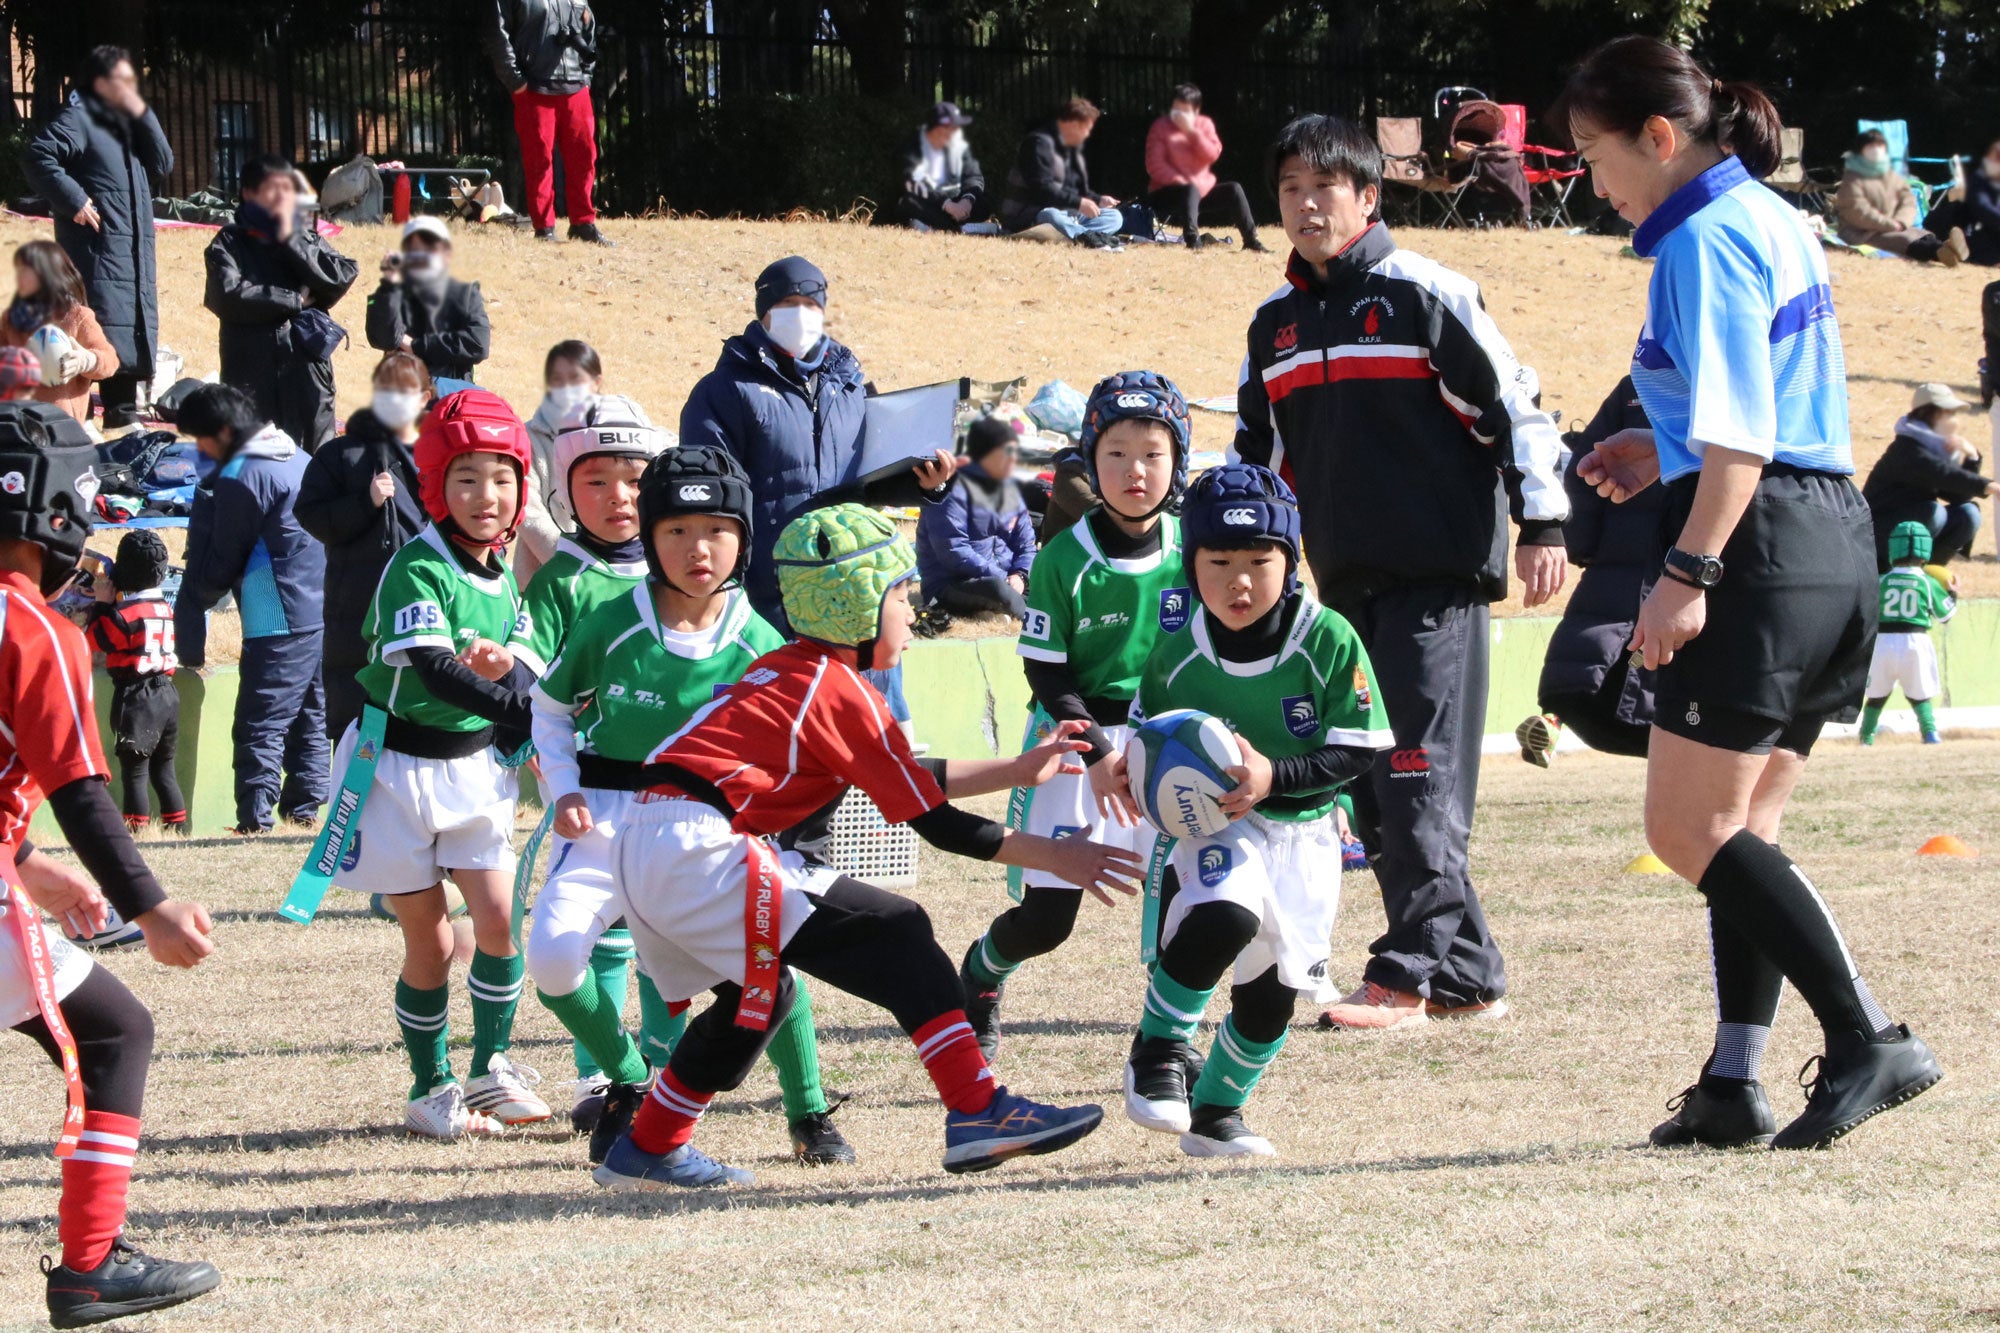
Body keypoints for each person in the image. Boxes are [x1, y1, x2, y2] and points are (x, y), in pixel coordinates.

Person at [1564, 34, 1938, 1151]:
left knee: (1685, 829)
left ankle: (1869, 1035)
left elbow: (1740, 436)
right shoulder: (1775, 217)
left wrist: (1682, 573)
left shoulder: (1699, 239)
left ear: (1659, 138)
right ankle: (1732, 1081)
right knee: (1743, 830)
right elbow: (1751, 412)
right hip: (1829, 533)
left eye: (1591, 153)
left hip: (1760, 543)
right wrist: (1657, 450)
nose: (1589, 178)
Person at [591, 504, 1140, 1189]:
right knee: (898, 929)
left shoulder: (796, 669)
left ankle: (647, 1147)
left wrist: (1013, 769)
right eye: (901, 593)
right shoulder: (840, 687)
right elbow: (936, 822)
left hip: (650, 840)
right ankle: (979, 1109)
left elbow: (900, 772)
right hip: (697, 846)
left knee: (756, 996)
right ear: (855, 603)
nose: (912, 611)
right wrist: (1058, 856)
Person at [1232, 113, 1569, 1032]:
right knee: (1373, 789)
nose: (1306, 204)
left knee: (1418, 777)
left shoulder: (1429, 292)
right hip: (1340, 592)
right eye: (1291, 188)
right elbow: (1256, 471)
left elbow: (1515, 409)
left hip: (1437, 585)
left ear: (1368, 196)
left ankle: (1407, 972)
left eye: (1325, 187)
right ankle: (1468, 973)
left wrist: (1543, 520)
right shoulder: (1276, 326)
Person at [529, 441, 853, 1167]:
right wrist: (564, 786)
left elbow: (800, 749)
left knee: (764, 966)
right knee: (552, 960)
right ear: (648, 538)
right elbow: (547, 706)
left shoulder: (761, 641)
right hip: (607, 816)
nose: (695, 547)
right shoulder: (611, 618)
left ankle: (808, 1111)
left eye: (715, 529)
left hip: (704, 828)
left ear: (742, 537)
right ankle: (629, 1080)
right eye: (674, 529)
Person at [0, 406, 220, 1327]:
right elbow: (86, 788)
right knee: (113, 1030)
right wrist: (153, 902)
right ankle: (89, 1264)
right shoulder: (32, 625)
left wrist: (28, 861)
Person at [1123, 464, 1391, 1157]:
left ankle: (1216, 1114)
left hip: (1305, 836)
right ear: (1191, 564)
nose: (1239, 581)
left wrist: (1276, 775)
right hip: (1217, 824)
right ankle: (1157, 1050)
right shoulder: (1179, 648)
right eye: (1218, 562)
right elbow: (1144, 737)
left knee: (1271, 996)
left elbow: (1357, 749)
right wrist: (1119, 766)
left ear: (1290, 559)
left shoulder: (1326, 638)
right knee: (1226, 914)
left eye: (1258, 561)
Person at [328, 386, 551, 1138]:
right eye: (464, 478)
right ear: (435, 486)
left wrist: (520, 695)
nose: (485, 495)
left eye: (500, 477)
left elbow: (516, 671)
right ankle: (431, 1086)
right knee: (429, 938)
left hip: (473, 768)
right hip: (391, 767)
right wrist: (521, 709)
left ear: (523, 484)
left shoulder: (507, 573)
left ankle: (490, 1069)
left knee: (496, 921)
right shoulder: (415, 567)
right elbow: (429, 668)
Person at [957, 372, 1189, 1060]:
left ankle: (1167, 1036)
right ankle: (981, 974)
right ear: (1090, 459)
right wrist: (1095, 755)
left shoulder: (1194, 549)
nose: (1134, 470)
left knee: (1176, 901)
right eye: (1115, 452)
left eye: (1152, 452)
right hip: (1071, 742)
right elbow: (1046, 668)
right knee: (1048, 921)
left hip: (1165, 742)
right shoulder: (1064, 557)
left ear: (1177, 460)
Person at [679, 256, 955, 637]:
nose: (802, 315)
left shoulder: (849, 385)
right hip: (764, 590)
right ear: (764, 312)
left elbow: (867, 480)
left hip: (846, 581)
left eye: (811, 305)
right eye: (788, 305)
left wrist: (928, 483)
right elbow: (709, 493)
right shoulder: (725, 390)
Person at [172, 384, 328, 835]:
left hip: (275, 612)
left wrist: (196, 599)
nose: (201, 452)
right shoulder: (297, 456)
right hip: (318, 606)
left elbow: (225, 554)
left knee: (260, 720)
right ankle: (304, 812)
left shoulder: (244, 473)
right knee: (310, 715)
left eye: (201, 441)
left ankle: (255, 820)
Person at [21, 45, 172, 426]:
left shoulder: (125, 129)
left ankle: (122, 419)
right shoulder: (81, 118)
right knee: (100, 332)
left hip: (131, 257)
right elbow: (38, 155)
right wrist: (73, 199)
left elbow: (163, 163)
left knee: (126, 338)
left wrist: (142, 112)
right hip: (98, 254)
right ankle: (95, 422)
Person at [1518, 377, 1665, 764]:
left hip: (1613, 573)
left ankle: (1552, 725)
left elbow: (1585, 471)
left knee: (1584, 676)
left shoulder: (1636, 388)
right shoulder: (1730, 387)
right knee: (1644, 672)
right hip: (1682, 572)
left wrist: (1583, 544)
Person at [296, 351, 433, 742]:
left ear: (425, 398)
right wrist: (365, 502)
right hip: (355, 609)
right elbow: (311, 514)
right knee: (354, 722)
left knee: (417, 713)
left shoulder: (441, 458)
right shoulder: (342, 454)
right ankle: (351, 796)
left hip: (424, 605)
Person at [203, 153, 359, 452]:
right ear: (249, 194)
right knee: (254, 460)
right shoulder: (229, 242)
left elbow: (340, 275)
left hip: (306, 370)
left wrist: (292, 240)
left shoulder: (302, 236)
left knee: (315, 462)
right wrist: (291, 300)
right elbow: (226, 295)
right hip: (252, 373)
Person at [483, 0, 612, 245]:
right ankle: (544, 227)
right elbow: (497, 33)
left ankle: (583, 223)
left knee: (584, 157)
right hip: (534, 87)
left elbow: (589, 28)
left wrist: (586, 76)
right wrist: (516, 81)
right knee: (538, 160)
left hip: (575, 88)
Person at [86, 530, 185, 835]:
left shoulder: (125, 615)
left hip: (137, 696)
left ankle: (136, 833)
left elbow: (94, 640)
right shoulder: (165, 609)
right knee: (164, 769)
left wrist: (102, 604)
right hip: (168, 694)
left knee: (135, 771)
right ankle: (177, 829)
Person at [916, 414, 1037, 620]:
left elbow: (1026, 544)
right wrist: (1004, 578)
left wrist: (1021, 575)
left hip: (1008, 576)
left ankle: (1009, 607)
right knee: (998, 590)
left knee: (1052, 571)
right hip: (952, 583)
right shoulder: (948, 492)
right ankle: (1032, 617)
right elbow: (954, 550)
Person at [1861, 383, 1988, 569]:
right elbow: (1942, 474)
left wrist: (1972, 457)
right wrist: (1988, 486)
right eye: (1947, 413)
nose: (1952, 420)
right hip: (1878, 532)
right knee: (1934, 512)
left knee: (1968, 513)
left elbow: (1958, 496)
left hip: (1914, 526)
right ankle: (1891, 570)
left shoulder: (1939, 448)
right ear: (1928, 413)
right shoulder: (1907, 448)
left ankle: (1930, 572)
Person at [1858, 522, 1955, 746]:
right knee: (1920, 694)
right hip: (1915, 641)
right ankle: (1930, 735)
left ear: (1893, 549)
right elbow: (1945, 615)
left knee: (1877, 695)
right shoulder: (1927, 581)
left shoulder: (1881, 580)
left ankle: (1866, 738)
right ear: (1925, 552)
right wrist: (1952, 593)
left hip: (1882, 641)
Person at [364, 217, 491, 386]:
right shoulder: (394, 293)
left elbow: (478, 344)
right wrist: (389, 285)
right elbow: (382, 339)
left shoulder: (465, 294)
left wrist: (417, 346)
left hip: (449, 393)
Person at [1, 240, 117, 425]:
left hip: (62, 426)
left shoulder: (79, 317)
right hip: (17, 421)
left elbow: (111, 361)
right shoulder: (11, 319)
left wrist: (87, 360)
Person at [518, 338, 603, 583]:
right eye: (557, 380)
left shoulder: (616, 437)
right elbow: (527, 509)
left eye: (575, 380)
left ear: (596, 383)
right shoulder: (528, 437)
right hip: (540, 580)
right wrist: (570, 567)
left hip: (607, 579)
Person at [1145, 84, 1266, 252]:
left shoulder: (1204, 125)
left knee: (1234, 189)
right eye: (1177, 108)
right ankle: (1193, 241)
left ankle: (1251, 240)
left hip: (1198, 193)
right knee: (1189, 186)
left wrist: (1193, 133)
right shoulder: (1160, 128)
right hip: (1165, 194)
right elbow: (1154, 165)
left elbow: (1213, 153)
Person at [1000, 99, 1124, 245]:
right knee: (1050, 215)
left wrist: (1098, 200)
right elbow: (1042, 189)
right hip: (1028, 216)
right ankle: (1084, 236)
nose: (1087, 135)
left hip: (1065, 214)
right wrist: (1079, 203)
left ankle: (1078, 235)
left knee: (1114, 217)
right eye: (1086, 129)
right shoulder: (1036, 145)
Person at [1834, 130, 1967, 265]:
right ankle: (1941, 251)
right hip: (1862, 233)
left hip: (1886, 227)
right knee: (1904, 240)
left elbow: (1906, 201)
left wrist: (1902, 220)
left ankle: (1945, 248)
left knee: (1920, 234)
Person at [893, 102, 989, 232]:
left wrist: (967, 200)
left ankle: (936, 226)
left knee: (982, 200)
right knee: (908, 202)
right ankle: (959, 229)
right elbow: (914, 180)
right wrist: (946, 204)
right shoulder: (913, 146)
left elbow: (974, 176)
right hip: (931, 201)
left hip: (956, 203)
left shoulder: (959, 146)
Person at [1919, 138, 2000, 267]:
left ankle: (1951, 248)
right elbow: (1985, 210)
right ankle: (1950, 248)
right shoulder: (1979, 184)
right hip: (1963, 234)